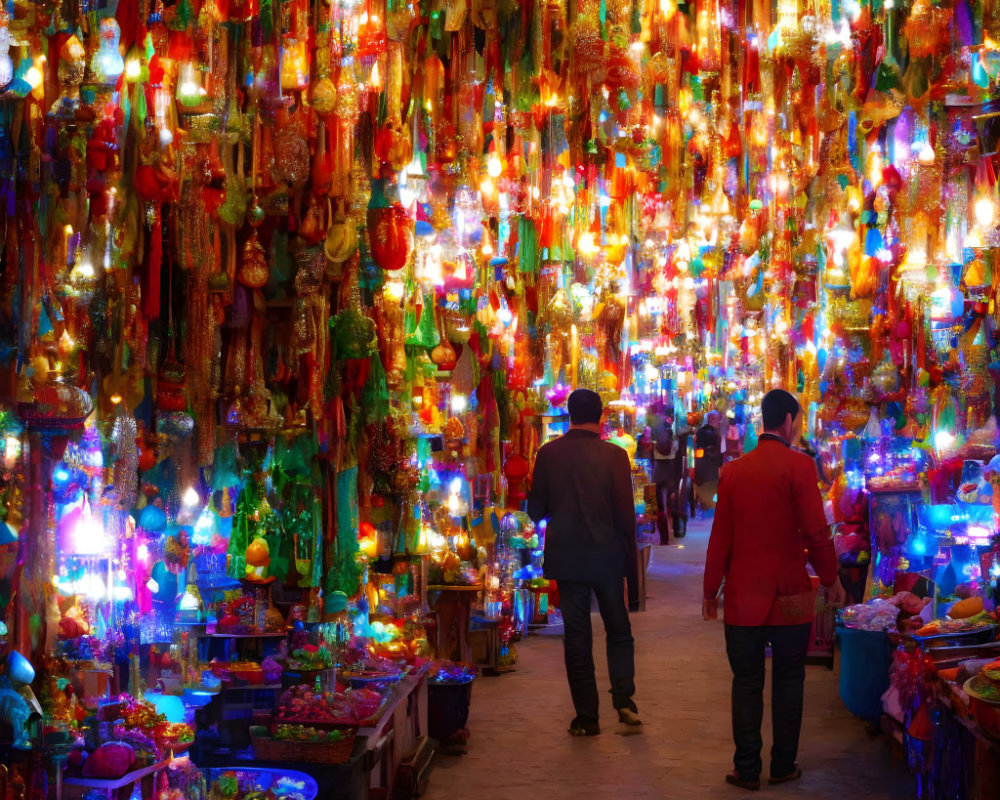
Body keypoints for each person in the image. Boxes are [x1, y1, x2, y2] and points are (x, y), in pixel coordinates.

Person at [702, 389, 846, 791]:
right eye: (797, 422)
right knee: (788, 680)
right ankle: (783, 764)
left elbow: (720, 538)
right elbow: (817, 534)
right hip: (790, 597)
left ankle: (746, 769)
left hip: (743, 599)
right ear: (787, 421)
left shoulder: (733, 471)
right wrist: (831, 578)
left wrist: (710, 590)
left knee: (746, 683)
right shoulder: (801, 467)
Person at [527, 388, 641, 736]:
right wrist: (631, 569)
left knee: (577, 637)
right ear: (602, 415)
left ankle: (587, 717)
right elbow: (626, 515)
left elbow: (535, 511)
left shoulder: (548, 454)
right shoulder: (615, 456)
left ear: (569, 414)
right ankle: (624, 699)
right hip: (607, 556)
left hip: (568, 558)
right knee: (618, 630)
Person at [651, 407, 690, 543]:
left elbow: (651, 451)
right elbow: (680, 453)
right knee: (673, 500)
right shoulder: (677, 431)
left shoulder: (655, 431)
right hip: (671, 468)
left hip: (658, 469)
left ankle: (664, 538)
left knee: (660, 505)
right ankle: (676, 528)